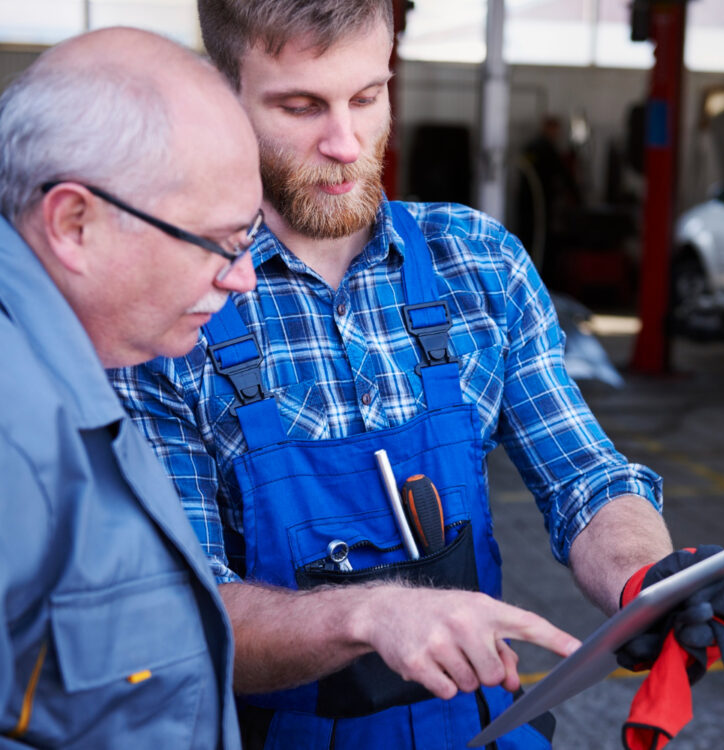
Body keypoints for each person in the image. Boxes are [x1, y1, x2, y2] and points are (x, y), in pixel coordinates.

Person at [109, 1, 673, 748]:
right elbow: (186, 613)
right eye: (301, 105)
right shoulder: (170, 311)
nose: (346, 143)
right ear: (223, 98)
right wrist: (372, 616)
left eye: (368, 97)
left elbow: (583, 478)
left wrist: (654, 585)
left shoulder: (478, 264)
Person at [0, 27, 264, 748]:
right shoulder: (14, 437)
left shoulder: (72, 372)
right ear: (74, 224)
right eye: (220, 244)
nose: (242, 279)